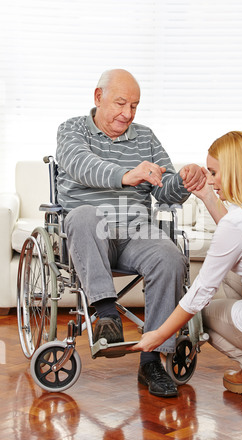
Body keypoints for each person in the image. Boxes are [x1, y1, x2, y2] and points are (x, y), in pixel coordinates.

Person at [56, 69, 205, 398]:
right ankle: (106, 314)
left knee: (170, 256)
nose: (128, 113)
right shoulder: (72, 130)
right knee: (83, 215)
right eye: (120, 103)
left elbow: (166, 190)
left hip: (136, 231)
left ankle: (151, 359)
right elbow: (81, 165)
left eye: (134, 106)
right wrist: (127, 175)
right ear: (98, 98)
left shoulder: (145, 137)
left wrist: (184, 180)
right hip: (89, 236)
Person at [132, 131, 242, 413]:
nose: (209, 179)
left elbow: (199, 294)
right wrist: (207, 196)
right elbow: (240, 239)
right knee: (233, 275)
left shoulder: (237, 222)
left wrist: (158, 334)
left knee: (200, 316)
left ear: (234, 171)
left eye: (213, 172)